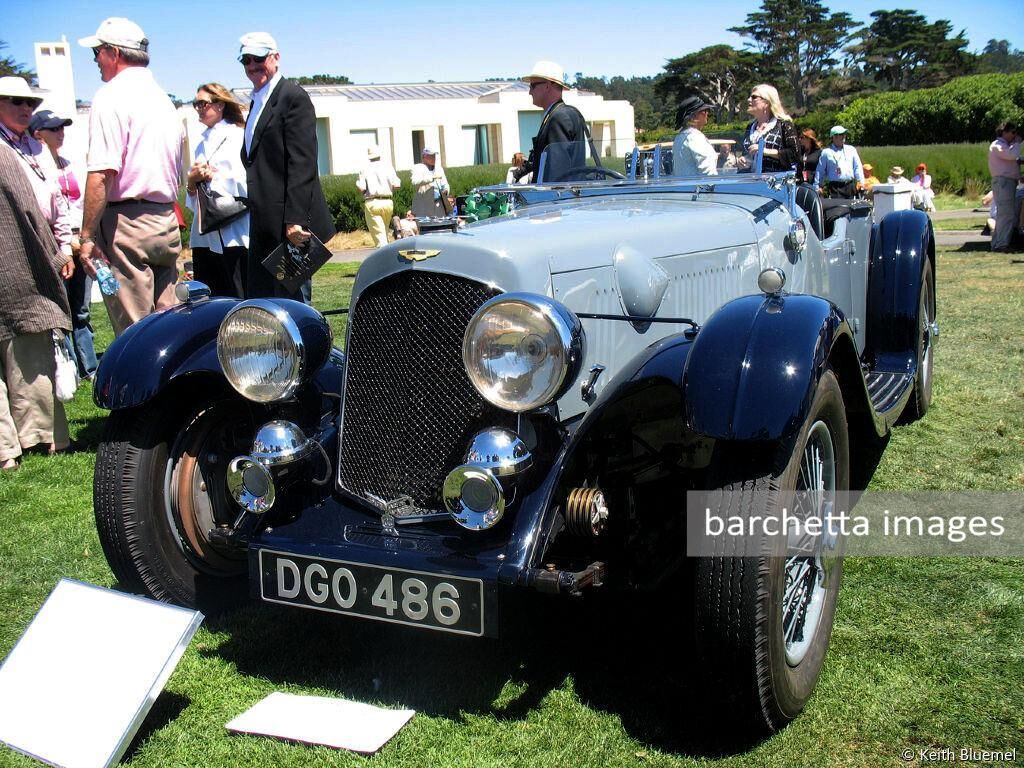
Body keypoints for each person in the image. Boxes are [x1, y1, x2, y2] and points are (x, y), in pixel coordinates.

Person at [76, 18, 183, 337]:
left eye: (97, 52)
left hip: (127, 224)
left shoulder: (110, 97)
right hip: (165, 221)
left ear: (113, 52)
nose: (96, 60)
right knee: (171, 325)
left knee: (136, 337)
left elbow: (100, 176)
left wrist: (86, 237)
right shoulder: (164, 100)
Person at [238, 31, 335, 302]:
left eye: (258, 58)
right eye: (246, 60)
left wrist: (295, 220)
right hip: (263, 224)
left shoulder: (292, 96)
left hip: (289, 227)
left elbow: (302, 163)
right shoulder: (257, 101)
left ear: (276, 58)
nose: (252, 66)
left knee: (293, 307)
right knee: (264, 306)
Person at [0, 143, 74, 470]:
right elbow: (30, 210)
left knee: (26, 355)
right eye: (16, 101)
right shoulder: (6, 154)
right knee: (30, 360)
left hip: (13, 272)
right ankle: (45, 438)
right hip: (14, 270)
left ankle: (8, 451)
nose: (24, 108)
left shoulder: (15, 151)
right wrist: (55, 255)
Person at [29, 108, 98, 380]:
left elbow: (82, 204)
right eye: (54, 129)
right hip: (54, 243)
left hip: (79, 240)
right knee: (61, 309)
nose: (61, 133)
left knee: (81, 308)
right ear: (38, 134)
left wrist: (84, 237)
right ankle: (67, 367)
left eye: (62, 128)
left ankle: (89, 368)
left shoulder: (70, 164)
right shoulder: (34, 167)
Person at [184, 83, 248, 298]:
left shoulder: (238, 136)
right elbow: (194, 200)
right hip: (206, 235)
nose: (199, 109)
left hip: (235, 232)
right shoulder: (201, 142)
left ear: (220, 104)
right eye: (196, 104)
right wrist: (192, 182)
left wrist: (214, 178)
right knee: (211, 300)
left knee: (239, 296)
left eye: (203, 103)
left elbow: (246, 182)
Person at [517, 60, 588, 183]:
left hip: (556, 199)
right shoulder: (560, 114)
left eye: (532, 86)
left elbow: (556, 173)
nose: (530, 92)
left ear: (547, 86)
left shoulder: (558, 117)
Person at [741, 84, 801, 176]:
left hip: (776, 186)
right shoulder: (750, 127)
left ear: (767, 102)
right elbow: (746, 154)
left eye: (754, 97)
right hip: (751, 184)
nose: (749, 100)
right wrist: (743, 161)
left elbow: (794, 154)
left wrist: (765, 151)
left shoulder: (784, 124)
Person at [356, 144, 400, 247]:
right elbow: (397, 185)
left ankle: (384, 260)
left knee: (380, 238)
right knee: (384, 233)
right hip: (388, 202)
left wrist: (357, 184)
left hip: (372, 203)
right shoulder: (388, 167)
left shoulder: (365, 169)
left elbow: (362, 187)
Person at [988, 122, 1021, 253]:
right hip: (1003, 182)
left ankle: (997, 243)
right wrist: (1018, 143)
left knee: (1004, 214)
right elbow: (1012, 156)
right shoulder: (997, 146)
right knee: (1006, 214)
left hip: (1008, 182)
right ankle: (1001, 244)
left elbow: (1012, 162)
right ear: (1004, 132)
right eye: (1012, 132)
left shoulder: (1006, 146)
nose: (1014, 135)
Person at [671, 95, 717, 177]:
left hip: (684, 188)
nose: (707, 113)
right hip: (698, 189)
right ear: (694, 116)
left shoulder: (679, 137)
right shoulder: (695, 137)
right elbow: (708, 173)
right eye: (705, 110)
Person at [815, 126, 864, 199]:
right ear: (834, 137)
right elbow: (820, 170)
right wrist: (817, 186)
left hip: (849, 185)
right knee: (837, 209)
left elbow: (857, 167)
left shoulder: (851, 149)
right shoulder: (826, 152)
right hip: (835, 187)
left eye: (844, 134)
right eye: (840, 134)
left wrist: (861, 181)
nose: (843, 136)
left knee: (852, 208)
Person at [410, 148, 449, 218]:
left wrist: (446, 190)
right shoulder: (418, 168)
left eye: (434, 156)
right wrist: (431, 178)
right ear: (424, 157)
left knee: (441, 226)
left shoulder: (439, 169)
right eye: (431, 156)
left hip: (438, 204)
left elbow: (445, 184)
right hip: (424, 205)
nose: (434, 158)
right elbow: (415, 182)